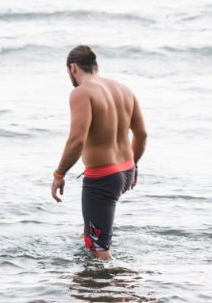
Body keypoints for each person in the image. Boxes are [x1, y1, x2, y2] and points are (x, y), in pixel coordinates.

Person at [51, 46, 148, 259]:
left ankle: (122, 287)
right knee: (91, 236)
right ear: (95, 66)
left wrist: (59, 174)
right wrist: (134, 164)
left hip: (103, 178)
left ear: (73, 68)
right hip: (125, 171)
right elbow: (142, 135)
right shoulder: (124, 89)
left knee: (98, 250)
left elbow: (77, 141)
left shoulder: (81, 93)